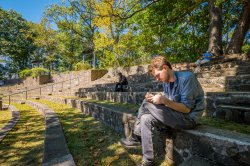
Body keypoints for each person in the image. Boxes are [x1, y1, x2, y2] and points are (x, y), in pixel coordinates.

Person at [120, 56, 205, 166]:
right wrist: (156, 97)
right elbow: (167, 99)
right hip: (175, 115)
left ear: (165, 68)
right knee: (146, 118)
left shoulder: (187, 78)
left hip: (188, 119)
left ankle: (136, 137)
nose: (157, 79)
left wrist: (163, 100)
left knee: (146, 104)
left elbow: (186, 108)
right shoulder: (166, 82)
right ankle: (148, 161)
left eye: (157, 75)